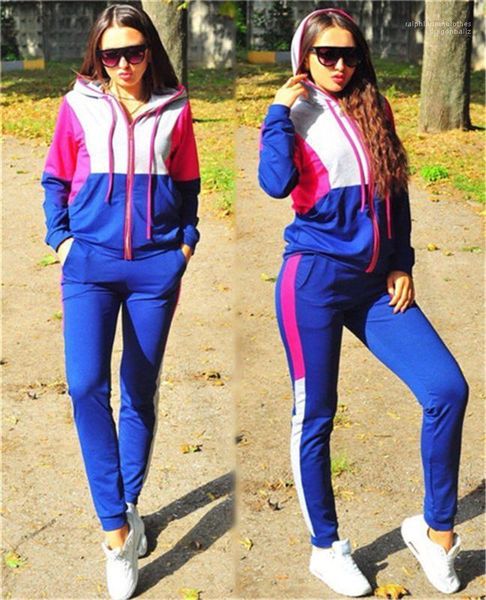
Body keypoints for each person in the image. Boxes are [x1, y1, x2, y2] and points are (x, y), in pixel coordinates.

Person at [258, 7, 468, 598]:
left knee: (446, 389)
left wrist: (402, 260)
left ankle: (436, 534)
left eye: (349, 54)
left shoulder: (374, 107)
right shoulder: (294, 114)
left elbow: (395, 191)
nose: (340, 65)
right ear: (305, 57)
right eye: (326, 55)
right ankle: (326, 548)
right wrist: (277, 112)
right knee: (315, 415)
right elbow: (275, 183)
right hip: (313, 284)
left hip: (376, 286)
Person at [41, 4, 200, 599]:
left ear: (150, 51)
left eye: (135, 52)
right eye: (112, 55)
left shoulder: (175, 107)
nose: (125, 64)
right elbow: (56, 177)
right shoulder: (77, 105)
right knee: (86, 385)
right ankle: (114, 532)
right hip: (89, 266)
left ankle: (128, 507)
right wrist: (61, 241)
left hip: (156, 268)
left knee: (138, 387)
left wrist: (184, 244)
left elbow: (188, 183)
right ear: (98, 57)